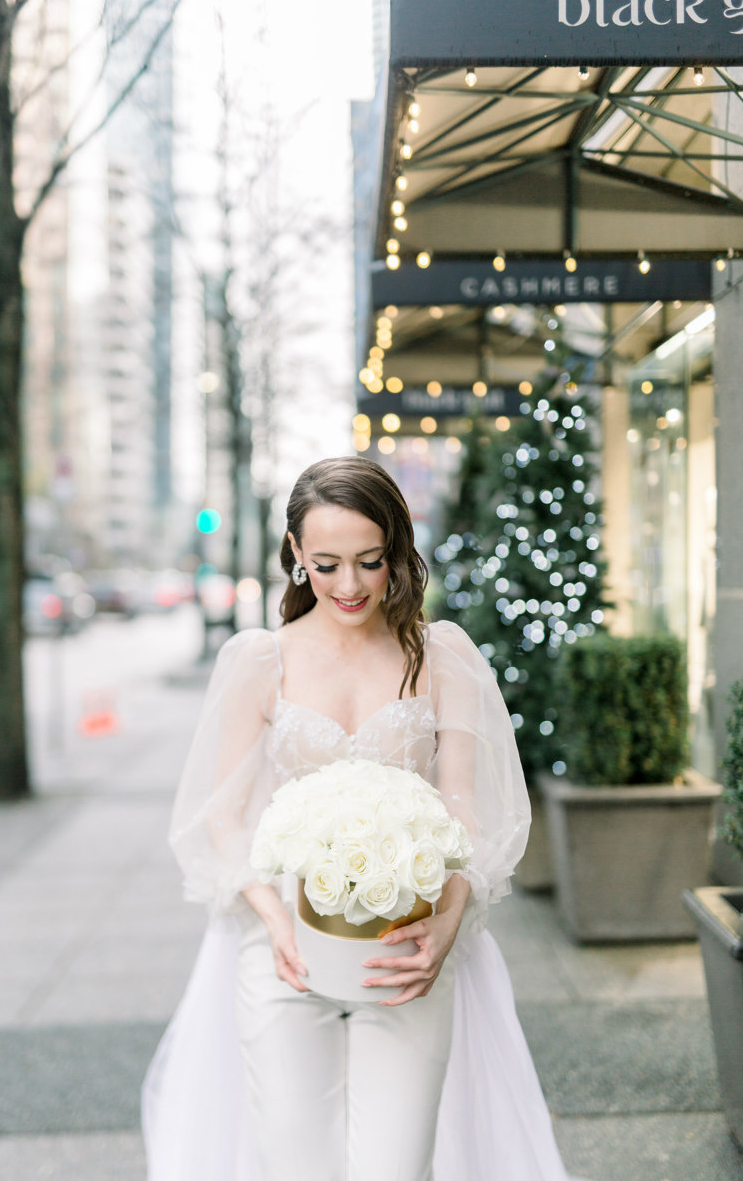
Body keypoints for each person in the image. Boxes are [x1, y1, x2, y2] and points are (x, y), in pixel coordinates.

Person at [142, 456, 580, 1181]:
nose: (349, 586)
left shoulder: (440, 656)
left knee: (396, 1168)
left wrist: (446, 921)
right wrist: (274, 922)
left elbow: (466, 809)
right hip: (282, 948)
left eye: (370, 562)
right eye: (327, 564)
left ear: (397, 553)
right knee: (296, 1165)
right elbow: (220, 820)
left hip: (407, 945)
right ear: (294, 556)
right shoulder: (260, 661)